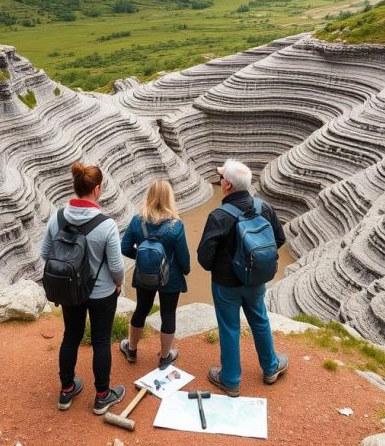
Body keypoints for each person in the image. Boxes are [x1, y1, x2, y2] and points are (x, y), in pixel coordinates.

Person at [40, 162, 126, 415]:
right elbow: (116, 266)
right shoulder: (106, 224)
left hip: (70, 292)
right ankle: (102, 396)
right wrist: (118, 282)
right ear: (97, 190)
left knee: (71, 336)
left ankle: (66, 390)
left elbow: (45, 253)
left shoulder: (57, 217)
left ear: (75, 186)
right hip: (101, 294)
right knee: (101, 341)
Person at [197, 159, 288, 397]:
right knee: (260, 320)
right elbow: (279, 239)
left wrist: (226, 265)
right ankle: (270, 368)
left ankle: (230, 379)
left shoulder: (218, 216)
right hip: (257, 280)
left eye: (221, 178)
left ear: (227, 185)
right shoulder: (263, 207)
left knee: (230, 328)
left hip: (226, 285)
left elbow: (204, 259)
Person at [118, 180, 191, 369]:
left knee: (141, 309)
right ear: (169, 198)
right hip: (171, 276)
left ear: (148, 196)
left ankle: (132, 349)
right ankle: (165, 356)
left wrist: (142, 258)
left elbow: (124, 248)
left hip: (144, 275)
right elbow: (183, 256)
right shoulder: (176, 225)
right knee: (168, 314)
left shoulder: (137, 221)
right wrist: (185, 270)